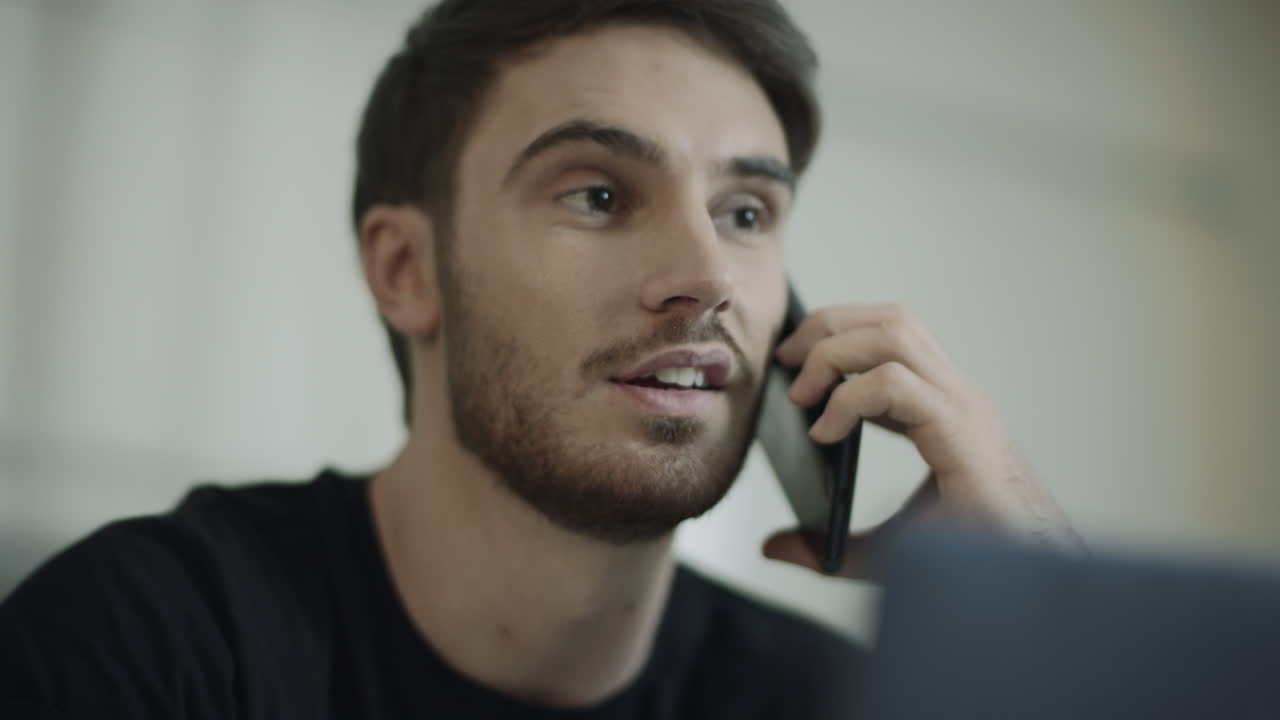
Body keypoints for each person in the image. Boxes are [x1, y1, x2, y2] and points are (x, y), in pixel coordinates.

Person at [0, 1, 1081, 717]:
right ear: (404, 269)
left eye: (745, 210)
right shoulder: (142, 646)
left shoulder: (825, 700)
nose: (704, 276)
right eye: (599, 195)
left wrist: (1049, 623)